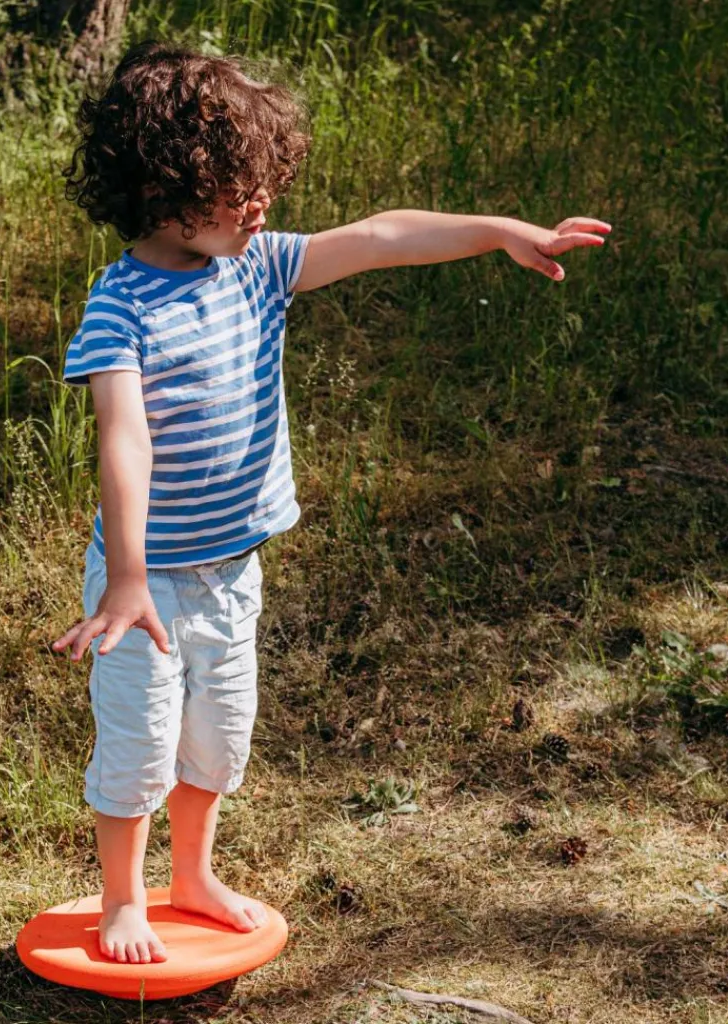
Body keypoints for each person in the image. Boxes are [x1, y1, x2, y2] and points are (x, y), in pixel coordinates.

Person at [52, 39, 611, 966]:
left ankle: (190, 876)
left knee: (216, 746)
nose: (260, 204)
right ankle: (122, 901)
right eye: (237, 188)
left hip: (232, 573)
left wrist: (499, 229)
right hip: (141, 592)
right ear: (164, 189)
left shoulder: (257, 264)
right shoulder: (121, 308)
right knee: (136, 751)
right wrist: (126, 580)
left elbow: (383, 236)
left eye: (263, 182)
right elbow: (123, 439)